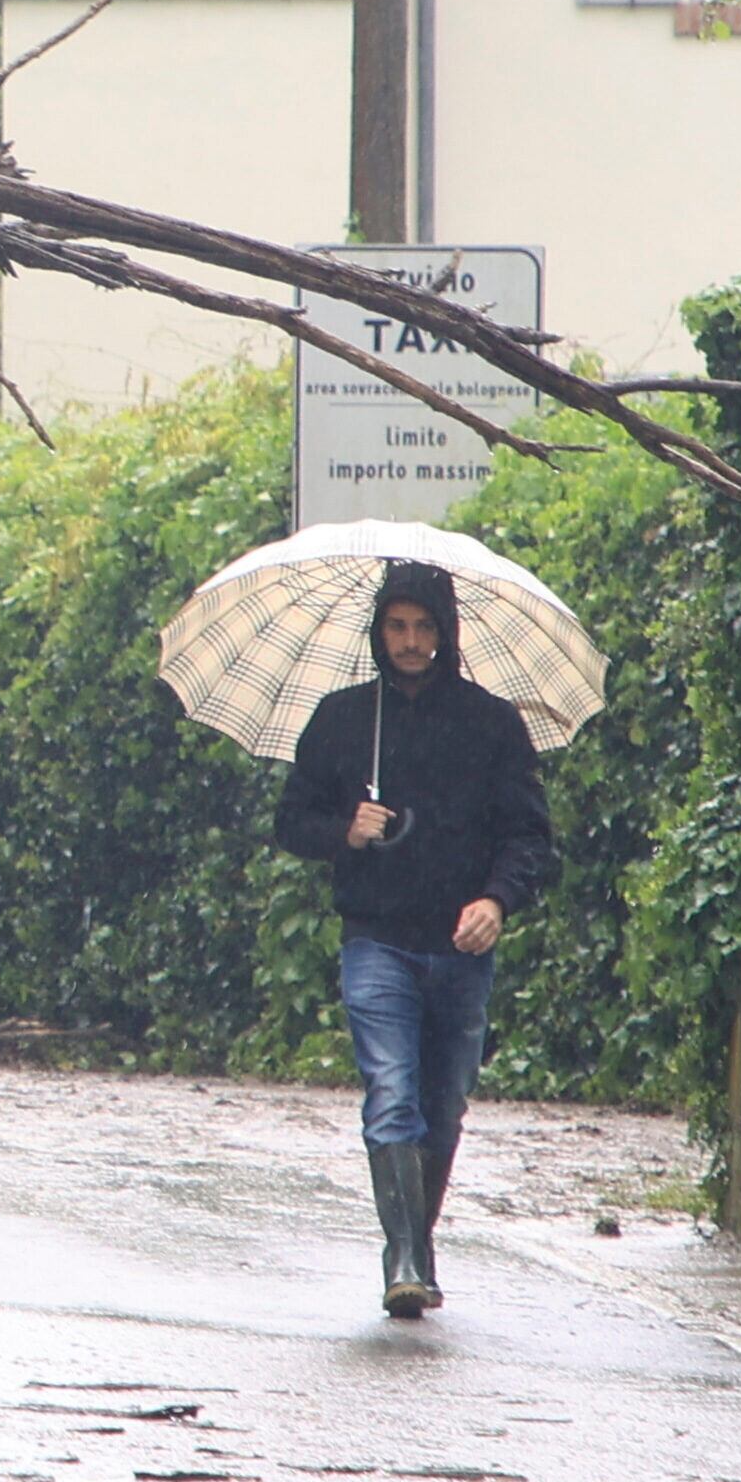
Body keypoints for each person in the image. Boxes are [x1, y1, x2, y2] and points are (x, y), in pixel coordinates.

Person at [270, 558, 551, 1317]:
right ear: (377, 631)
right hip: (376, 942)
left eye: (425, 627)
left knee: (444, 1102)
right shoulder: (341, 720)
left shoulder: (493, 725)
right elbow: (289, 821)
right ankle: (403, 1255)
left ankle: (415, 1245)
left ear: (447, 632)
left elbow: (530, 835)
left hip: (462, 949)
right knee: (390, 1094)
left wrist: (497, 900)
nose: (411, 641)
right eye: (397, 626)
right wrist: (344, 832)